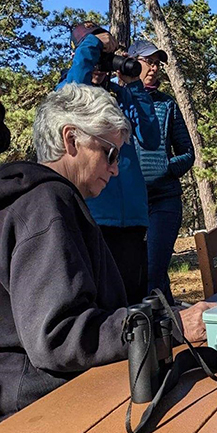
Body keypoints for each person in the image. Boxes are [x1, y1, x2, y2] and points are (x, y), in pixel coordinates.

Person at [0, 84, 212, 420]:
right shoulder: (45, 204)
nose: (114, 168)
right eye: (109, 153)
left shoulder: (46, 201)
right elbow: (59, 337)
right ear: (70, 140)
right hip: (44, 408)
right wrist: (172, 327)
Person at [59, 22, 161, 305]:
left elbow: (151, 138)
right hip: (94, 220)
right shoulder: (68, 90)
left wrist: (134, 87)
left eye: (103, 59)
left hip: (133, 221)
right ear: (80, 55)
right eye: (93, 57)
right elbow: (73, 97)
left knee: (136, 308)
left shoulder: (120, 96)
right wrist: (94, 45)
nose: (99, 66)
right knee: (104, 310)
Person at [129, 39, 195, 305]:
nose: (154, 68)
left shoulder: (166, 104)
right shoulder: (119, 100)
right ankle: (174, 329)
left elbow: (188, 153)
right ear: (132, 61)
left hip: (164, 200)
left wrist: (165, 168)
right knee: (143, 275)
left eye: (157, 63)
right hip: (131, 205)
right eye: (149, 61)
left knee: (152, 273)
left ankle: (159, 337)